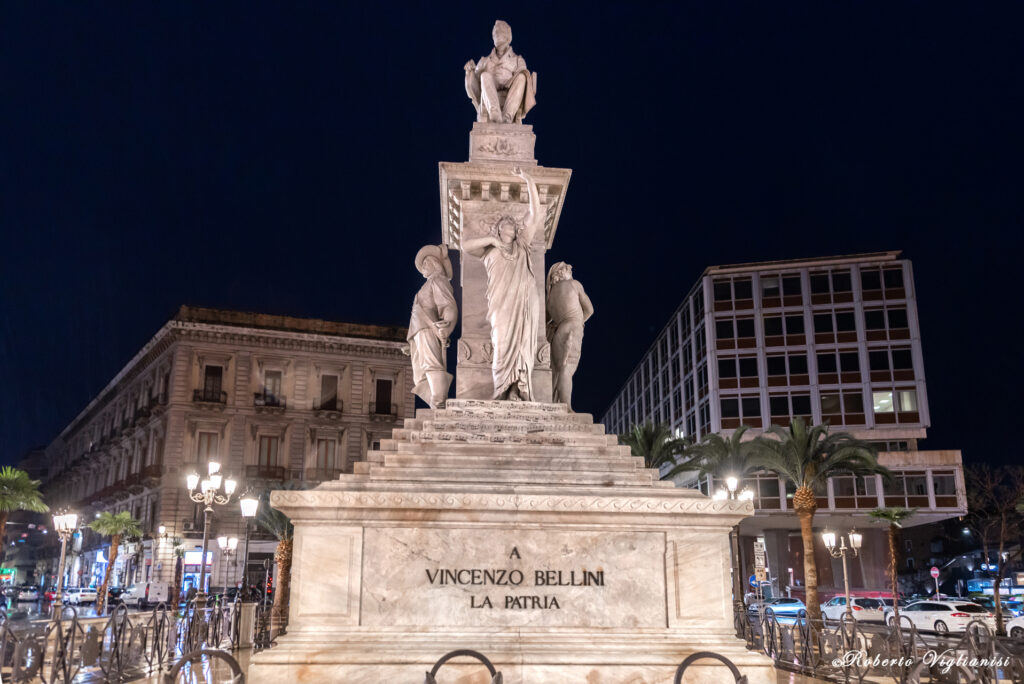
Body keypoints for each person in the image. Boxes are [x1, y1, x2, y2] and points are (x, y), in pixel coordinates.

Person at [462, 166, 542, 401]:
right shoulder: (489, 251)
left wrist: (528, 180)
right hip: (501, 305)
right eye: (505, 223)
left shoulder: (522, 244)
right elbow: (466, 246)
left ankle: (517, 389)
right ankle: (501, 390)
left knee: (522, 344)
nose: (510, 225)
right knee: (502, 341)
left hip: (524, 301)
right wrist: (492, 241)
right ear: (498, 229)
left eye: (512, 223)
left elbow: (535, 213)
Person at [404, 245, 458, 408]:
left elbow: (448, 305)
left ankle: (438, 402)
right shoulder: (429, 283)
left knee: (431, 365)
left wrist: (447, 326)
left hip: (428, 328)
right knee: (420, 373)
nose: (423, 269)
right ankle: (436, 401)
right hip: (418, 332)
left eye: (425, 264)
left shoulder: (438, 280)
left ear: (435, 264)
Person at [464, 20, 537, 123]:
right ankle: (495, 113)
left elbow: (526, 81)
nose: (496, 34)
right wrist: (469, 72)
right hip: (491, 88)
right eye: (494, 32)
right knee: (484, 75)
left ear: (508, 36)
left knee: (522, 77)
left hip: (510, 87)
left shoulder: (517, 60)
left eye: (499, 31)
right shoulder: (484, 60)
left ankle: (507, 117)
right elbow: (473, 87)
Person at [545, 262, 593, 410]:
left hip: (559, 332)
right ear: (561, 273)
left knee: (559, 369)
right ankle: (567, 407)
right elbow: (590, 310)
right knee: (567, 369)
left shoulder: (549, 298)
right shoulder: (574, 284)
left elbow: (546, 322)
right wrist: (580, 323)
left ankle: (559, 403)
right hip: (573, 327)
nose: (570, 271)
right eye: (568, 269)